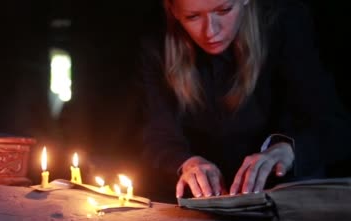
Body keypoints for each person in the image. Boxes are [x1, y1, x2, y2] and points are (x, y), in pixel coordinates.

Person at [140, 0, 351, 203]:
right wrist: (186, 163)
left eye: (224, 10)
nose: (210, 31)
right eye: (192, 16)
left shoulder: (284, 23)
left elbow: (335, 126)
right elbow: (157, 132)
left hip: (289, 196)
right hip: (206, 202)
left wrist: (289, 150)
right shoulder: (157, 42)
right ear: (173, 10)